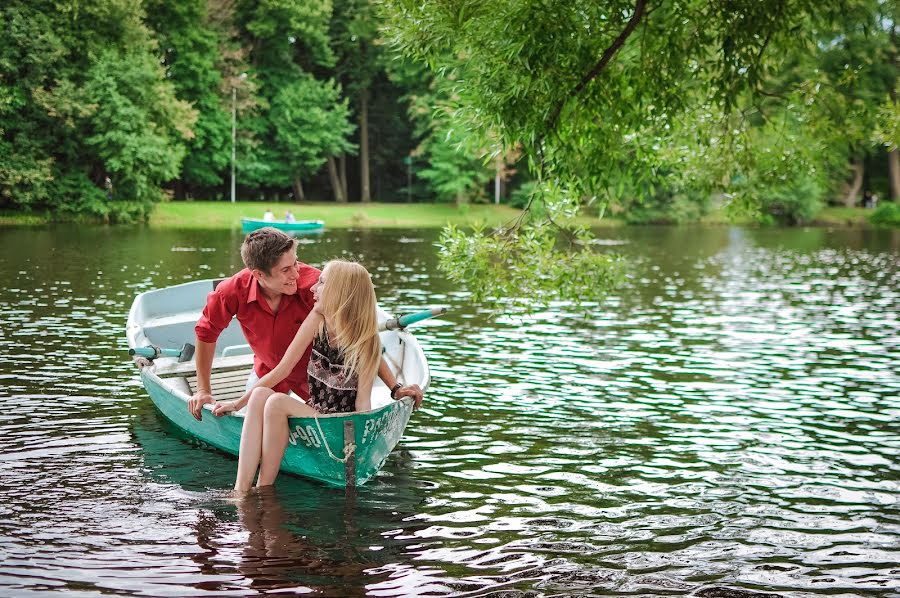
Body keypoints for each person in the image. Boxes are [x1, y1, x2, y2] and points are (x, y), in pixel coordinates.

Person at [188, 228, 422, 423]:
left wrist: (395, 388)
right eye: (286, 270)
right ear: (259, 275)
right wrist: (203, 390)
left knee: (326, 421)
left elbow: (361, 338)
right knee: (248, 422)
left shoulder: (319, 288)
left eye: (295, 263)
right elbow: (206, 332)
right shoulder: (231, 291)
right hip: (268, 374)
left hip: (318, 380)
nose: (296, 274)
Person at [213, 260, 391, 493]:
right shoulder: (318, 318)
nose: (311, 288)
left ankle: (264, 487)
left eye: (322, 283)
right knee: (260, 394)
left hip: (338, 424)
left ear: (340, 292)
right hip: (315, 410)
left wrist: (355, 450)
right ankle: (241, 490)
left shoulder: (365, 343)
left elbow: (362, 404)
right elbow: (283, 368)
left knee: (276, 402)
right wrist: (237, 404)